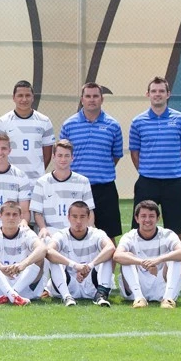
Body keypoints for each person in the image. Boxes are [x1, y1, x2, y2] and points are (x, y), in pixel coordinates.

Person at [129, 76, 181, 294]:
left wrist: (171, 169)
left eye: (161, 91)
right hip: (147, 181)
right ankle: (135, 276)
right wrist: (150, 172)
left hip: (174, 182)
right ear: (148, 94)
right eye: (153, 91)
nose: (157, 94)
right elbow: (135, 153)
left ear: (168, 94)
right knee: (138, 230)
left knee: (178, 231)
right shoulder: (138, 121)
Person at [59, 82, 123, 243]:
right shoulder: (69, 124)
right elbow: (63, 155)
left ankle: (107, 270)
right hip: (76, 187)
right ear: (82, 99)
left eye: (95, 96)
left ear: (102, 99)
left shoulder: (113, 125)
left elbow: (116, 155)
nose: (92, 99)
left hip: (104, 188)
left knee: (108, 236)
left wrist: (99, 170)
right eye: (88, 96)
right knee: (74, 234)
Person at [114, 200, 181, 309]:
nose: (147, 220)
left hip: (161, 284)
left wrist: (158, 260)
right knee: (127, 256)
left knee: (175, 257)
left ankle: (168, 299)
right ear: (137, 218)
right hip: (138, 284)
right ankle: (139, 298)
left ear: (158, 218)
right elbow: (117, 256)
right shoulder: (129, 236)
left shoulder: (167, 234)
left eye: (151, 216)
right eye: (143, 216)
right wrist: (142, 262)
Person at [45, 201, 114, 307]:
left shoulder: (96, 233)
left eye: (82, 217)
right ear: (68, 217)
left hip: (91, 284)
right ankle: (66, 297)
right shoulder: (62, 235)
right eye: (74, 216)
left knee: (108, 255)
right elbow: (49, 251)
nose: (78, 221)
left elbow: (110, 247)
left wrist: (90, 266)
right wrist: (75, 265)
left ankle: (101, 295)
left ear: (88, 218)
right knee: (53, 258)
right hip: (69, 284)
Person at [0, 201, 47, 306]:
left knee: (39, 258)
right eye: (7, 214)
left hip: (23, 284)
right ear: (0, 216)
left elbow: (42, 248)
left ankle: (10, 294)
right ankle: (13, 295)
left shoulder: (26, 232)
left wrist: (23, 264)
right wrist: (1, 267)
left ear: (20, 217)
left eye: (15, 214)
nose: (11, 218)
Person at [30, 140, 95, 239]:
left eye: (67, 156)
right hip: (51, 232)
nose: (63, 159)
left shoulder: (83, 181)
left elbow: (90, 211)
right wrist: (43, 228)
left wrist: (88, 231)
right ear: (53, 157)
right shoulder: (41, 182)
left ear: (72, 158)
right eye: (60, 155)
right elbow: (37, 213)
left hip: (76, 231)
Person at [0, 80, 54, 182]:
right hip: (10, 179)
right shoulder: (3, 122)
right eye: (20, 95)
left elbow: (47, 155)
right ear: (13, 98)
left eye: (27, 95)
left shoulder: (44, 121)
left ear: (33, 97)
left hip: (36, 181)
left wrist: (37, 172)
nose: (24, 99)